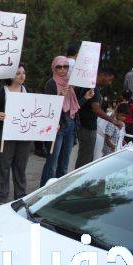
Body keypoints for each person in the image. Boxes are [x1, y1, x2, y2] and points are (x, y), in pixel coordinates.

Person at [0, 64, 31, 205]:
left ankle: (20, 197)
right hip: (4, 136)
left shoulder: (28, 92)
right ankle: (0, 199)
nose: (22, 76)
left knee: (20, 167)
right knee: (3, 167)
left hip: (24, 136)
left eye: (23, 72)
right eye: (18, 73)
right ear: (11, 76)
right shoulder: (2, 93)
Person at [39, 56, 80, 186]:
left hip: (70, 125)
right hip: (57, 127)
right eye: (59, 67)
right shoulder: (51, 83)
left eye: (65, 67)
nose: (62, 70)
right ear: (54, 68)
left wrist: (85, 97)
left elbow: (74, 106)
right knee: (52, 162)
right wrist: (60, 95)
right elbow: (49, 106)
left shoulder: (70, 83)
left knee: (64, 163)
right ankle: (44, 190)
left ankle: (58, 191)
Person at [74, 67, 121, 169]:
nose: (109, 83)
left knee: (87, 158)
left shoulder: (93, 87)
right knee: (85, 160)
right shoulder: (92, 87)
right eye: (110, 80)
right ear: (103, 75)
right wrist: (113, 121)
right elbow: (96, 109)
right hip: (86, 127)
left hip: (87, 126)